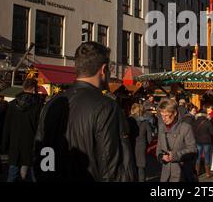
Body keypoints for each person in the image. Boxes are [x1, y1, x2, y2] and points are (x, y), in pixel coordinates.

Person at [34, 42, 136, 182]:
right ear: (103, 69)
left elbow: (43, 153)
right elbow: (112, 168)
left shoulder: (52, 104)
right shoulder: (107, 107)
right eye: (109, 69)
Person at [2, 78, 42, 181]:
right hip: (31, 144)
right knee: (34, 174)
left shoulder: (12, 105)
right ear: (33, 88)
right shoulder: (38, 105)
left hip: (15, 145)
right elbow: (40, 127)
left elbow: (7, 126)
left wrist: (4, 145)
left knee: (12, 174)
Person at [156, 98, 197, 182]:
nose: (163, 118)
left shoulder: (185, 128)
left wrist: (176, 155)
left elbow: (193, 150)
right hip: (165, 175)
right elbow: (159, 148)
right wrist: (161, 156)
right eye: (162, 115)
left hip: (182, 174)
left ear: (174, 113)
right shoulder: (161, 127)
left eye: (166, 115)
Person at [127, 103, 152, 182]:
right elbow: (150, 138)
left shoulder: (128, 121)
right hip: (141, 147)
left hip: (130, 147)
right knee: (141, 169)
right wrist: (146, 143)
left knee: (131, 168)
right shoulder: (145, 122)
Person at [193, 109, 213, 178]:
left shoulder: (195, 122)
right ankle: (208, 173)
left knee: (198, 157)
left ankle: (197, 172)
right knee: (207, 156)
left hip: (198, 141)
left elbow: (193, 132)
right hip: (206, 141)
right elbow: (212, 132)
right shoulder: (208, 122)